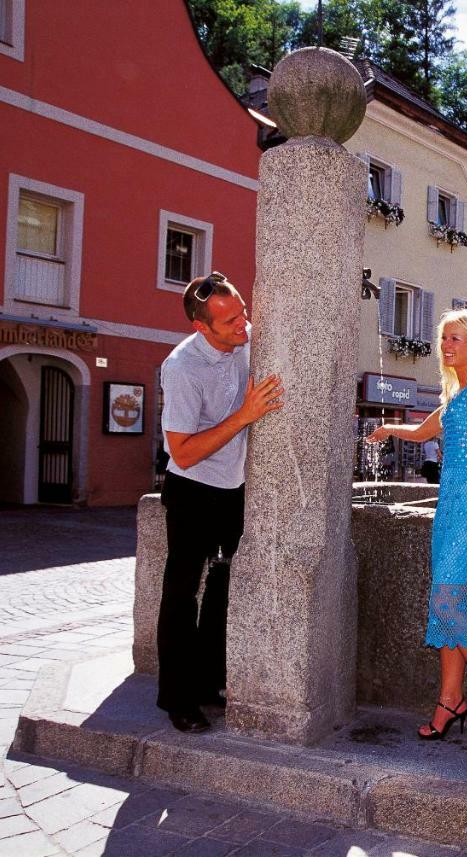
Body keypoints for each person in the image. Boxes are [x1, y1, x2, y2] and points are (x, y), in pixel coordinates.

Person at [367, 308, 467, 740]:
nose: (447, 345)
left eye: (456, 338)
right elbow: (423, 432)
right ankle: (450, 698)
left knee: (452, 599)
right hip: (451, 506)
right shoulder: (457, 394)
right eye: (444, 339)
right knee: (450, 602)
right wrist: (390, 430)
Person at [157, 272, 282, 734]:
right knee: (182, 593)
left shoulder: (246, 341)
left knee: (223, 588)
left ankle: (207, 681)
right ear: (201, 328)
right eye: (230, 321)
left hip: (233, 489)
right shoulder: (182, 368)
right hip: (191, 488)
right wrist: (244, 416)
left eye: (243, 312)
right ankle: (175, 698)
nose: (244, 325)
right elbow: (183, 452)